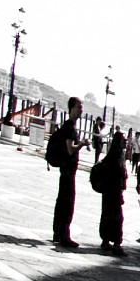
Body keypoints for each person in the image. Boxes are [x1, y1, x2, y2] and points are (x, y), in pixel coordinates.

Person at [46, 97, 85, 249]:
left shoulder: (68, 126)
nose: (81, 110)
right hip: (68, 172)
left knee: (62, 201)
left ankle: (58, 233)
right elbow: (70, 149)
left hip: (66, 171)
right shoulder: (69, 128)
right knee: (67, 203)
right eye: (79, 107)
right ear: (72, 108)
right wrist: (81, 144)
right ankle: (64, 235)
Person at [90, 127, 128, 254]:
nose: (125, 142)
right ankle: (115, 243)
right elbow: (119, 175)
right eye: (123, 140)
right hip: (113, 192)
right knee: (116, 218)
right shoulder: (116, 157)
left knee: (108, 215)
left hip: (110, 192)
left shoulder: (116, 156)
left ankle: (107, 240)